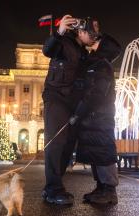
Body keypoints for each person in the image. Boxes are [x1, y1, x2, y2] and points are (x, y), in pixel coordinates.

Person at [41, 15, 97, 205]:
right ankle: (53, 189)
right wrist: (59, 32)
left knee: (68, 144)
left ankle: (52, 186)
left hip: (73, 102)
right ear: (81, 31)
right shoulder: (63, 42)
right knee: (56, 142)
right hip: (56, 96)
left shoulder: (84, 53)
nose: (95, 36)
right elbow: (48, 50)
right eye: (93, 32)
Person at [69, 24, 122, 204]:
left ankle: (109, 191)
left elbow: (97, 94)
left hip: (100, 116)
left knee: (104, 152)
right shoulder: (96, 62)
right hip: (94, 117)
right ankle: (100, 188)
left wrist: (79, 111)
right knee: (96, 152)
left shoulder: (102, 64)